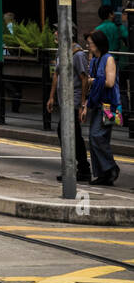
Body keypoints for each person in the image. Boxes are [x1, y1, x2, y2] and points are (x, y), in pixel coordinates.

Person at [47, 33, 92, 183]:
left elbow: (84, 79)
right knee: (71, 134)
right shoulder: (61, 51)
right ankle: (76, 169)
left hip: (73, 100)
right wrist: (52, 96)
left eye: (57, 31)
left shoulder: (77, 54)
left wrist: (82, 103)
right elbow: (56, 75)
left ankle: (80, 169)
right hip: (63, 100)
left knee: (70, 133)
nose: (55, 35)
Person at [81, 29, 122, 186]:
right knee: (95, 138)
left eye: (90, 43)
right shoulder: (95, 60)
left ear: (98, 44)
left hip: (109, 106)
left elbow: (110, 82)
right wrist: (85, 106)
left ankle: (111, 168)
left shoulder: (108, 59)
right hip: (98, 104)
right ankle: (103, 174)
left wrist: (92, 81)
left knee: (97, 136)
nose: (88, 45)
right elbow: (93, 87)